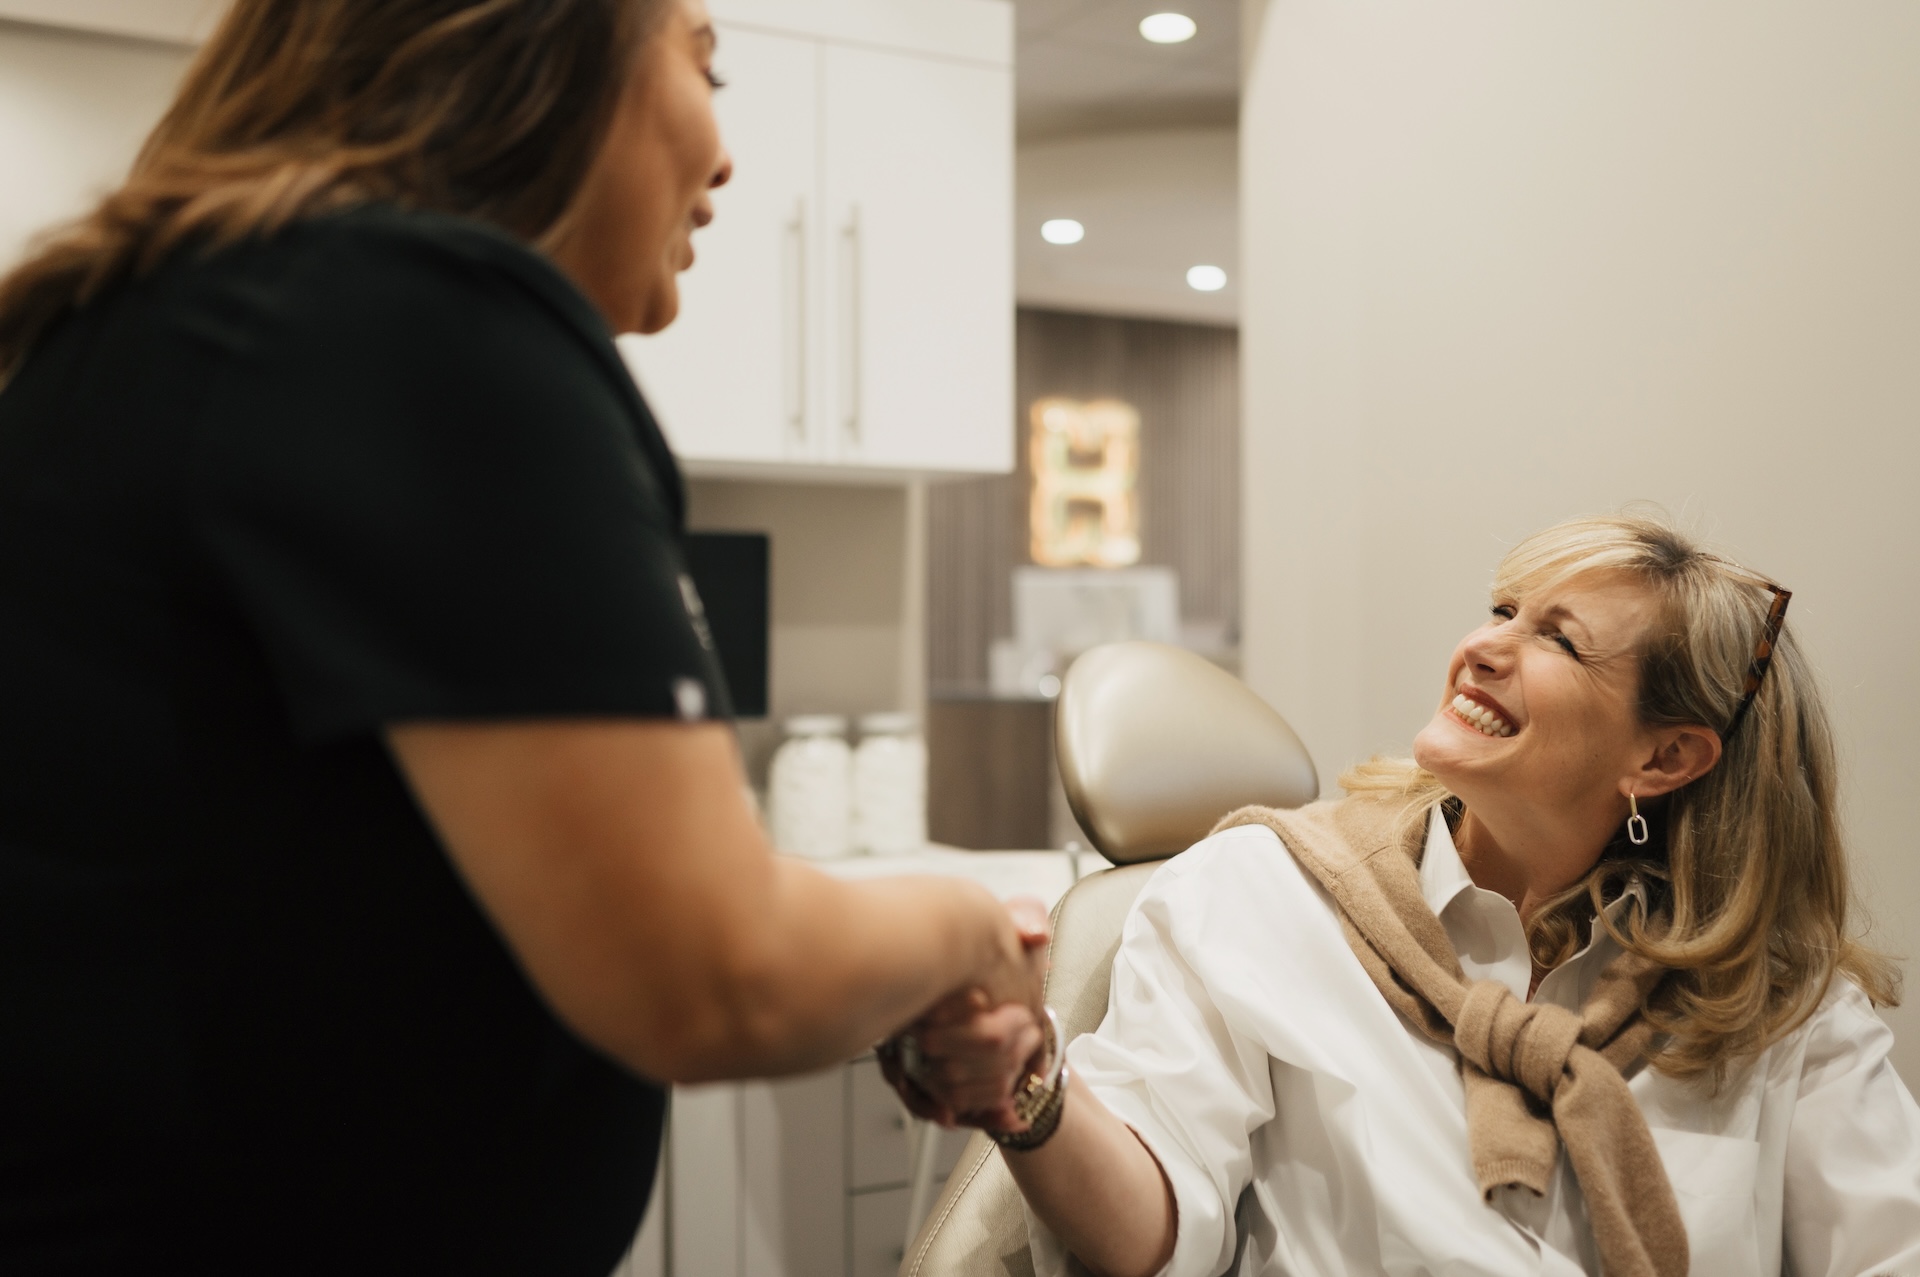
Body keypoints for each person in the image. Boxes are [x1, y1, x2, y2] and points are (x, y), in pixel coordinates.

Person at [0, 2, 1045, 1273]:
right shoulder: (417, 320)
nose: (725, 158)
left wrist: (891, 981)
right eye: (705, 63)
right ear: (548, 46)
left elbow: (442, 919)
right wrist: (974, 931)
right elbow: (719, 975)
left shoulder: (186, 319)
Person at [891, 512, 1920, 1277]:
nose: (1484, 645)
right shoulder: (1260, 894)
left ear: (1666, 756)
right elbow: (1154, 1228)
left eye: (1557, 639)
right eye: (1502, 609)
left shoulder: (1780, 1007)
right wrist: (1027, 1095)